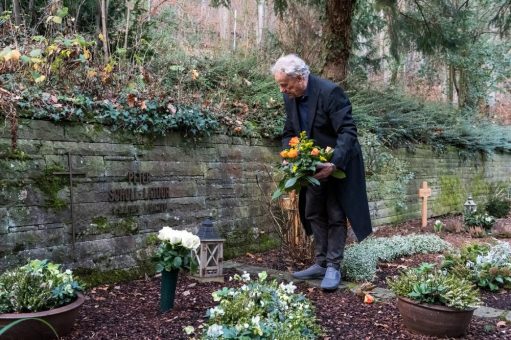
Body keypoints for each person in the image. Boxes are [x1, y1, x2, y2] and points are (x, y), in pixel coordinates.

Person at [271, 54, 372, 290]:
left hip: (337, 164)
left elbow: (348, 131)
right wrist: (289, 156)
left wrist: (334, 163)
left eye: (285, 84)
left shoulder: (330, 93)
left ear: (300, 77)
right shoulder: (291, 98)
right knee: (313, 211)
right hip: (311, 166)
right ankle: (320, 262)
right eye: (280, 85)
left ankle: (333, 267)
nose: (282, 90)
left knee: (335, 213)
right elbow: (289, 133)